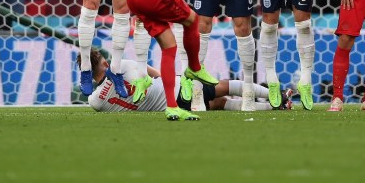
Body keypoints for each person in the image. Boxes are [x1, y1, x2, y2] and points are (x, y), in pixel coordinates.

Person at [84, 51, 290, 113]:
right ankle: (276, 97)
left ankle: (273, 108)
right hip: (175, 90)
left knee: (218, 103)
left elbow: (97, 98)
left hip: (168, 107)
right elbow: (155, 74)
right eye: (105, 61)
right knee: (222, 87)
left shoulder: (96, 101)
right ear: (103, 63)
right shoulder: (125, 65)